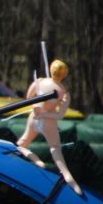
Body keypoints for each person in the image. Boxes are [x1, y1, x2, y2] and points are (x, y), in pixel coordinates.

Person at [16, 59, 82, 195]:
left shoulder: (40, 82)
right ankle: (67, 176)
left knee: (21, 144)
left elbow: (28, 99)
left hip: (34, 118)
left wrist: (38, 109)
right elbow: (59, 115)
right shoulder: (63, 92)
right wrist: (44, 112)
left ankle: (34, 158)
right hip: (48, 122)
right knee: (55, 148)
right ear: (64, 75)